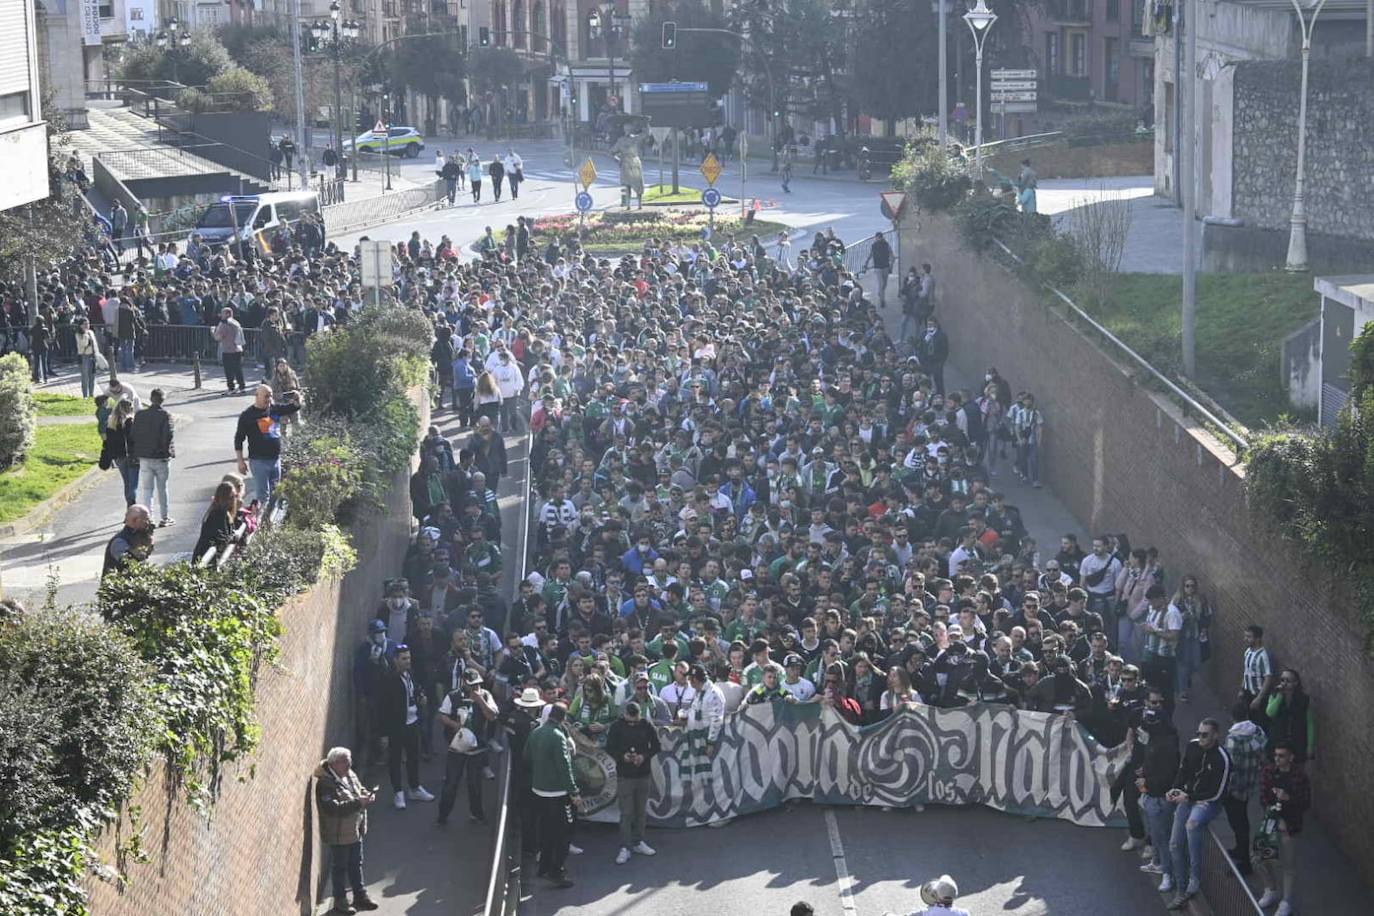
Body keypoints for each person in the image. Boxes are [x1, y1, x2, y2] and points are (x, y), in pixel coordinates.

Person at [1166, 717, 1230, 908]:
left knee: (1192, 825)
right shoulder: (1192, 746)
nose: (1200, 738)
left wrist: (1188, 797)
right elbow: (1183, 770)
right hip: (1189, 796)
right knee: (1175, 844)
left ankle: (1195, 877)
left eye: (1205, 735)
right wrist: (1175, 789)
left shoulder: (1222, 758)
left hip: (1208, 802)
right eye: (1199, 734)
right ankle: (1181, 888)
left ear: (1216, 735)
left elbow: (1217, 792)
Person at [314, 747, 380, 915]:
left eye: (349, 760)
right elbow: (332, 809)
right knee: (340, 868)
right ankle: (340, 902)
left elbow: (359, 788)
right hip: (338, 834)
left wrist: (366, 794)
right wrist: (359, 803)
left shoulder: (349, 774)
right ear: (334, 763)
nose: (349, 764)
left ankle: (360, 896)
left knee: (356, 864)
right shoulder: (325, 784)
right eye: (345, 761)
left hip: (354, 830)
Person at [525, 702, 582, 888]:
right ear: (563, 718)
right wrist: (574, 792)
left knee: (546, 831)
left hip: (538, 791)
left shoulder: (536, 733)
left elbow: (527, 757)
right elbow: (564, 767)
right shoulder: (558, 737)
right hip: (557, 794)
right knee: (564, 833)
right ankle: (556, 871)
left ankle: (543, 867)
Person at [375, 645, 436, 809]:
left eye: (409, 658)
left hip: (413, 722)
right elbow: (382, 708)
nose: (407, 661)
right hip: (396, 726)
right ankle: (398, 793)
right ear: (395, 659)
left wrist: (419, 697)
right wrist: (383, 734)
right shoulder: (388, 678)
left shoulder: (410, 674)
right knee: (395, 759)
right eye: (404, 658)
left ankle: (415, 788)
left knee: (413, 757)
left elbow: (412, 691)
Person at [437, 667, 498, 826]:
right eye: (472, 684)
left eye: (478, 684)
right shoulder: (453, 696)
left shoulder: (485, 695)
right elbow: (442, 715)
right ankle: (442, 815)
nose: (476, 687)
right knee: (451, 783)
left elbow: (492, 716)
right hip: (456, 747)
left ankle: (477, 814)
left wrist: (480, 700)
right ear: (464, 682)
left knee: (475, 783)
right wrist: (453, 724)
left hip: (477, 748)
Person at [1254, 744, 1310, 916]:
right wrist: (1277, 819)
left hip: (1291, 826)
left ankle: (1286, 901)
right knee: (1259, 856)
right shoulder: (1269, 772)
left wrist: (1288, 799)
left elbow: (1305, 803)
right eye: (1276, 755)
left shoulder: (1299, 776)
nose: (1277, 759)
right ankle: (1271, 889)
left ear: (1291, 758)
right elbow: (1264, 798)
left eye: (1282, 756)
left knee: (1288, 864)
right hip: (1271, 822)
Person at [604, 699, 661, 864]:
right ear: (625, 715)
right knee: (626, 813)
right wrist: (623, 757)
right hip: (625, 776)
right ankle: (625, 846)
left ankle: (638, 841)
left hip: (643, 774)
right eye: (630, 720)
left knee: (641, 811)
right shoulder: (616, 726)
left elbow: (656, 746)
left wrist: (643, 756)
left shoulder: (646, 725)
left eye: (635, 720)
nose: (633, 723)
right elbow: (609, 748)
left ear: (639, 715)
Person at [234, 384, 303, 508]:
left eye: (270, 396)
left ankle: (270, 522)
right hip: (258, 461)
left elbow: (294, 408)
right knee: (262, 496)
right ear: (257, 396)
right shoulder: (247, 415)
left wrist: (298, 399)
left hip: (275, 459)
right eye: (266, 396)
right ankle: (260, 523)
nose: (269, 399)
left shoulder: (274, 409)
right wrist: (240, 461)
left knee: (276, 492)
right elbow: (238, 440)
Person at [129, 387, 174, 527]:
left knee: (147, 490)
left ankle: (148, 519)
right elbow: (168, 436)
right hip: (160, 458)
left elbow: (133, 435)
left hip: (144, 457)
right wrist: (166, 452)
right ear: (163, 400)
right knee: (162, 488)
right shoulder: (165, 415)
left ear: (150, 399)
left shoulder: (140, 415)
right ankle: (164, 517)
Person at [1264, 668, 1315, 764]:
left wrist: (1310, 747)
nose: (1284, 683)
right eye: (1282, 680)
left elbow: (1310, 723)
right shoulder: (1275, 694)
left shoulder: (1304, 700)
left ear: (1295, 683)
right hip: (1277, 740)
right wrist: (1280, 696)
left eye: (1288, 681)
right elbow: (1270, 712)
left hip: (1297, 741)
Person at [101, 398, 140, 507]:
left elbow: (108, 442)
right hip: (131, 455)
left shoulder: (111, 423)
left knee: (127, 482)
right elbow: (135, 439)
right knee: (133, 483)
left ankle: (129, 506)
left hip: (119, 457)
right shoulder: (130, 422)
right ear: (129, 409)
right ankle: (132, 505)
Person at [101, 504, 154, 579]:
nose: (148, 523)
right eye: (146, 519)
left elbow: (143, 558)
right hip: (118, 587)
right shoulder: (119, 541)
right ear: (135, 520)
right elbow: (129, 564)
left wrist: (149, 542)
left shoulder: (138, 534)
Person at [192, 481, 238, 567]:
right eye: (232, 497)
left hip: (208, 556)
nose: (235, 499)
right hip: (205, 558)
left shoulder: (222, 512)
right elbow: (223, 538)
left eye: (236, 496)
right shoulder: (217, 514)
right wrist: (233, 537)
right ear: (224, 498)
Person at [215, 306, 247, 394]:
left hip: (228, 350)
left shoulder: (224, 325)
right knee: (238, 369)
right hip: (238, 349)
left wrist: (213, 332)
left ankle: (231, 388)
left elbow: (218, 338)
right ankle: (242, 387)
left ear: (227, 314)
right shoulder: (236, 323)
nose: (220, 315)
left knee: (228, 371)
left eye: (222, 313)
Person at [865, 231, 894, 307]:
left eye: (879, 237)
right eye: (877, 237)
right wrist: (866, 263)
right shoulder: (874, 246)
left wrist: (891, 266)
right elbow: (870, 255)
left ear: (881, 237)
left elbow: (891, 255)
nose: (878, 239)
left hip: (885, 266)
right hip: (878, 267)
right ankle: (882, 300)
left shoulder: (886, 245)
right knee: (881, 283)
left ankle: (880, 292)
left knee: (884, 284)